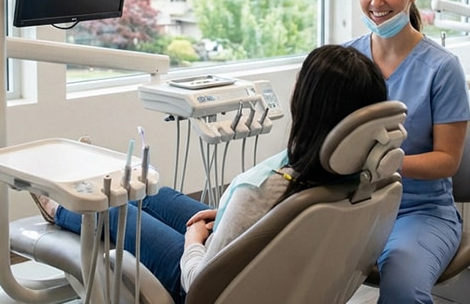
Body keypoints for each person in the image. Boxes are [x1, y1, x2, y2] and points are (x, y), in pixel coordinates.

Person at [37, 44, 389, 304]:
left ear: (309, 106)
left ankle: (60, 207)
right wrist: (229, 218)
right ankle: (103, 176)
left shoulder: (261, 190)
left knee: (115, 210)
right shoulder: (355, 180)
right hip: (266, 261)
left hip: (206, 284)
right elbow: (278, 224)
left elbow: (198, 280)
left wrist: (193, 243)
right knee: (155, 192)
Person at [346, 0, 470, 304]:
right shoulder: (345, 61)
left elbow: (447, 160)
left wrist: (383, 165)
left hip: (419, 211)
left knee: (402, 286)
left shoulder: (441, 68)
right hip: (351, 204)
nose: (375, 2)